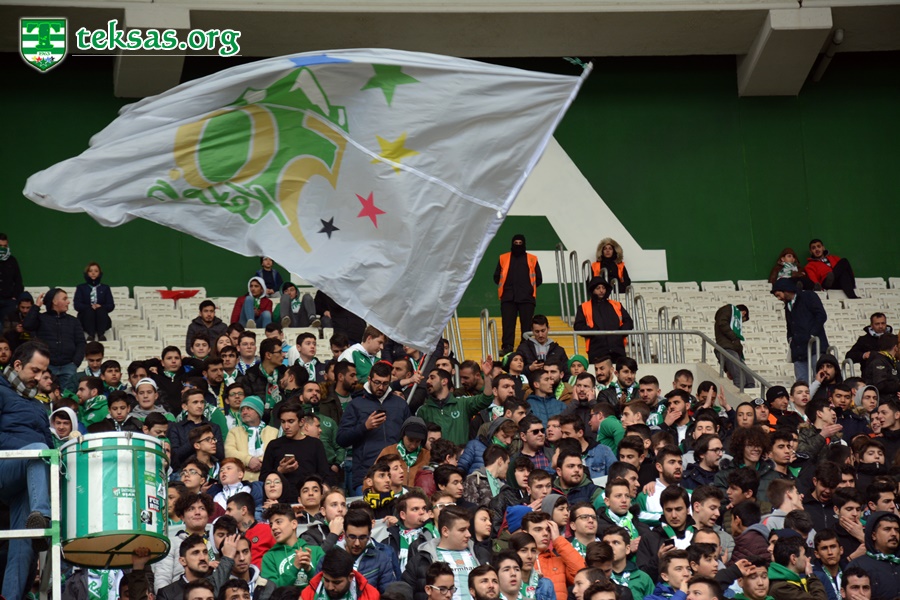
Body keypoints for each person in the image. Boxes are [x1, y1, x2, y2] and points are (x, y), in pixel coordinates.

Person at [0, 341, 52, 600]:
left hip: (28, 475)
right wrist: (28, 449)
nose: (39, 378)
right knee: (38, 450)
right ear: (18, 365)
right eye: (35, 370)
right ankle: (43, 516)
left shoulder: (38, 405)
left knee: (22, 545)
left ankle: (11, 597)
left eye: (43, 372)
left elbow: (49, 445)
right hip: (4, 466)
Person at [337, 361, 411, 493]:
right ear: (369, 379)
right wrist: (364, 427)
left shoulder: (400, 404)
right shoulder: (356, 404)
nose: (381, 387)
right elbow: (341, 439)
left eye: (385, 383)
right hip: (366, 474)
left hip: (396, 475)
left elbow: (408, 436)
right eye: (377, 382)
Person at [403, 505, 490, 600]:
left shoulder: (481, 554)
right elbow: (405, 594)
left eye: (468, 529)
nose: (468, 534)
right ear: (445, 531)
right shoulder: (421, 559)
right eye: (462, 530)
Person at [418, 358, 494, 446]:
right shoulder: (423, 410)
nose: (427, 381)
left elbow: (486, 399)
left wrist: (487, 376)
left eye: (432, 378)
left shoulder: (463, 404)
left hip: (459, 454)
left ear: (444, 381)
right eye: (428, 378)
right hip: (435, 455)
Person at [23, 288, 84, 392]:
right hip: (47, 367)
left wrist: (75, 363)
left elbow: (81, 343)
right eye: (64, 299)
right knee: (45, 395)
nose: (68, 302)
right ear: (54, 301)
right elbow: (27, 325)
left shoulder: (73, 321)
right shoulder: (41, 318)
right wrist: (36, 306)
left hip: (68, 366)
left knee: (68, 396)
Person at [771, 278, 829, 384]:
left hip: (814, 346)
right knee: (801, 382)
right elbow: (789, 326)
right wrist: (790, 339)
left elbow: (821, 315)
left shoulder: (808, 296)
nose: (779, 299)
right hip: (798, 349)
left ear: (786, 290)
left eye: (779, 295)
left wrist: (812, 334)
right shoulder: (788, 306)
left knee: (820, 378)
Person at [494, 234, 542, 354]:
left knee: (527, 325)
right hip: (508, 297)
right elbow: (496, 277)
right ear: (512, 243)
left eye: (520, 243)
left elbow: (539, 279)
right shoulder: (503, 258)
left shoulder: (532, 259)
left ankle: (526, 347)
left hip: (527, 298)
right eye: (516, 243)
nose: (518, 245)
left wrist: (527, 289)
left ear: (524, 244)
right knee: (508, 324)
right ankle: (507, 347)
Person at [333, 508, 401, 593]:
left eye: (362, 538)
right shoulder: (329, 558)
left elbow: (389, 594)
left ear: (369, 535)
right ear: (344, 534)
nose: (357, 543)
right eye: (352, 537)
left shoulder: (381, 560)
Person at [574, 277, 633, 363]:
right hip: (596, 350)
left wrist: (620, 332)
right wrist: (594, 332)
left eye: (603, 288)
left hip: (617, 349)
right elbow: (578, 326)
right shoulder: (583, 307)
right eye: (598, 288)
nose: (601, 290)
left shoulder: (617, 305)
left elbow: (628, 322)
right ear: (592, 290)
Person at [845, 512, 900, 600]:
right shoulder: (858, 566)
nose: (894, 533)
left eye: (897, 530)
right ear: (873, 535)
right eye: (887, 529)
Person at [301, 547, 380, 600]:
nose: (330, 587)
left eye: (336, 582)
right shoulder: (308, 594)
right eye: (326, 580)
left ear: (350, 577)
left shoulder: (370, 595)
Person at [515, 315, 568, 380]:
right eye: (537, 331)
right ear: (532, 330)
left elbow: (566, 372)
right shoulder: (523, 348)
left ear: (548, 328)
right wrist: (529, 368)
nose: (540, 335)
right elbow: (514, 370)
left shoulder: (559, 350)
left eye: (543, 331)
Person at [73, 261, 115, 342]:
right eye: (90, 271)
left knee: (100, 310)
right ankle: (90, 334)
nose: (93, 273)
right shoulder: (81, 288)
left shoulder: (105, 288)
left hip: (102, 318)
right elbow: (77, 305)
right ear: (87, 273)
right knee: (89, 311)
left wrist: (101, 306)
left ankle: (101, 334)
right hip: (85, 318)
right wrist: (89, 307)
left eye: (96, 271)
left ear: (99, 273)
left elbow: (111, 305)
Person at [714, 303, 750, 388]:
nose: (741, 323)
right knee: (740, 379)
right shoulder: (728, 309)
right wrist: (734, 337)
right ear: (743, 313)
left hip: (733, 350)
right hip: (727, 348)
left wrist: (727, 369)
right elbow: (722, 323)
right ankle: (738, 396)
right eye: (742, 320)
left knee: (749, 381)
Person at [863, 333, 899, 398]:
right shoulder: (879, 361)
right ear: (896, 347)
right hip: (882, 401)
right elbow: (880, 385)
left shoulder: (889, 360)